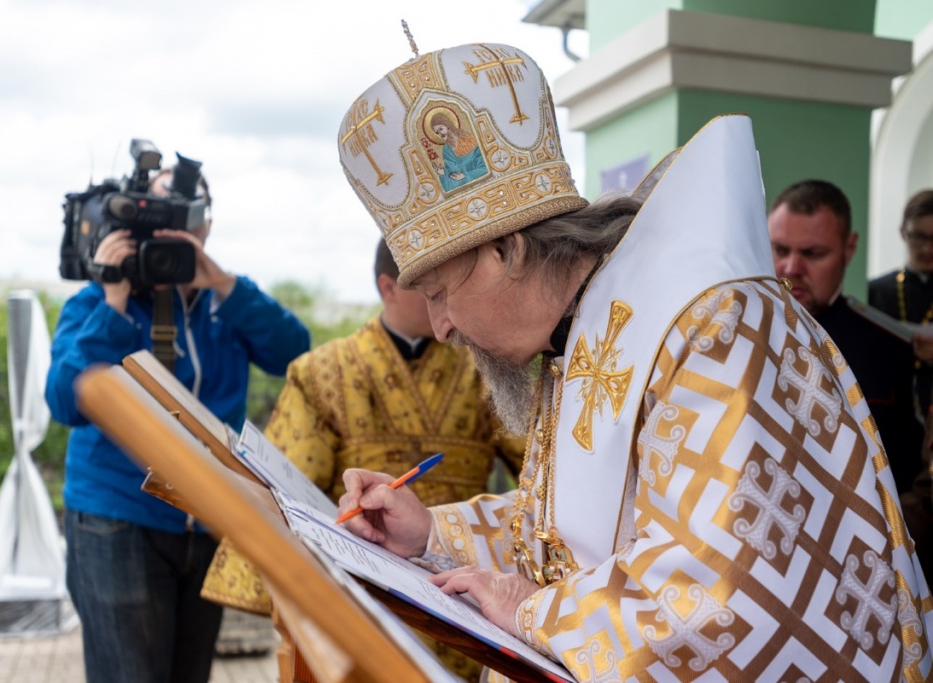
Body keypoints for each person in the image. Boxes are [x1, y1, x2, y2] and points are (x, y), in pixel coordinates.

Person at [334, 41, 933, 680]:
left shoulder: (712, 326)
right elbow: (570, 531)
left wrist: (539, 615)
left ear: (506, 251)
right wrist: (431, 534)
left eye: (440, 292)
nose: (442, 327)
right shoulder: (579, 332)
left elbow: (728, 587)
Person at [201, 238, 524, 682]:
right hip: (362, 597)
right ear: (388, 288)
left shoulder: (488, 372)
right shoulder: (324, 371)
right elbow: (285, 491)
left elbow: (545, 478)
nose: (444, 311)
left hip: (462, 596)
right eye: (430, 292)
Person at [45, 156, 310, 683]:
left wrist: (224, 285)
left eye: (180, 215)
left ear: (205, 223)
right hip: (116, 520)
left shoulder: (224, 302)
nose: (165, 229)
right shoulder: (95, 302)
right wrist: (114, 300)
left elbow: (294, 353)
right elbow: (64, 402)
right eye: (151, 216)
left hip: (207, 517)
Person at [767, 180, 923, 491]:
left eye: (813, 253)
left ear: (848, 249)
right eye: (779, 249)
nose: (790, 267)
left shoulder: (889, 349)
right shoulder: (733, 333)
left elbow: (904, 475)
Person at [870, 189, 933, 419]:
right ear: (903, 233)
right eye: (919, 237)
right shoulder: (875, 290)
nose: (927, 248)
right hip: (888, 412)